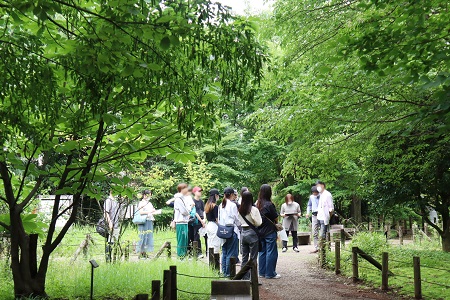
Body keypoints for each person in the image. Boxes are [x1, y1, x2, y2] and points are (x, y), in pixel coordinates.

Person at [257, 184, 280, 279]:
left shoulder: (257, 204)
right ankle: (270, 273)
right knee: (271, 251)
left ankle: (262, 272)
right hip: (269, 230)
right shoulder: (269, 204)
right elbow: (275, 217)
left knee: (262, 252)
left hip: (260, 231)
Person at [237, 191, 262, 279]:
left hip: (243, 233)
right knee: (253, 258)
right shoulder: (254, 209)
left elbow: (238, 221)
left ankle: (244, 278)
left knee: (244, 257)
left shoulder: (240, 210)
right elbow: (259, 223)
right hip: (252, 233)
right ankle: (254, 279)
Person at [219, 187, 241, 277]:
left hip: (222, 230)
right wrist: (240, 225)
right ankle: (229, 273)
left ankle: (224, 272)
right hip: (231, 230)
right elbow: (236, 218)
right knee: (231, 252)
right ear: (232, 194)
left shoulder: (221, 205)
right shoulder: (232, 205)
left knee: (224, 251)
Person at [104, 190, 124, 262]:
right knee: (109, 243)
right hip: (110, 225)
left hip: (116, 224)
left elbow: (121, 213)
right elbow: (106, 213)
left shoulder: (117, 201)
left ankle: (114, 259)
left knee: (114, 242)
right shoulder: (108, 200)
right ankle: (108, 260)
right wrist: (110, 223)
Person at [173, 183, 192, 258]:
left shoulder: (184, 198)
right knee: (181, 240)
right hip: (180, 222)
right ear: (181, 189)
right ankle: (181, 256)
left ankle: (183, 255)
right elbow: (184, 211)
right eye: (185, 188)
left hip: (185, 221)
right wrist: (189, 210)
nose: (187, 190)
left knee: (185, 240)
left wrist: (188, 210)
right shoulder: (178, 199)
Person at [136, 190, 156, 259]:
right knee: (142, 236)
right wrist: (150, 211)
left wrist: (153, 211)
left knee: (148, 236)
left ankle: (145, 252)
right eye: (148, 195)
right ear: (144, 195)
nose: (149, 197)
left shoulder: (149, 203)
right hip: (143, 221)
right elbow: (141, 212)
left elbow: (153, 210)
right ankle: (141, 252)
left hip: (149, 220)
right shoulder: (141, 203)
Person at [205, 189, 221, 254]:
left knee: (210, 243)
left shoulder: (207, 205)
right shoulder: (215, 206)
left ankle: (210, 260)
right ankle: (215, 260)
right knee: (216, 243)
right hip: (214, 226)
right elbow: (217, 219)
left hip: (208, 225)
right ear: (216, 195)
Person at [191, 186, 206, 258]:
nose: (200, 192)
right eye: (198, 191)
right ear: (194, 192)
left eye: (200, 191)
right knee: (196, 237)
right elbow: (195, 212)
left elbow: (203, 211)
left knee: (206, 236)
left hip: (202, 220)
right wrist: (201, 220)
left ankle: (207, 252)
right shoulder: (192, 201)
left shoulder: (201, 201)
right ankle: (197, 252)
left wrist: (204, 220)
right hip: (196, 221)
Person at [305, 186, 320, 253]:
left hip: (321, 214)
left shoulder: (322, 196)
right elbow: (309, 205)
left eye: (316, 192)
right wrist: (308, 213)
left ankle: (325, 247)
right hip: (314, 215)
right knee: (314, 232)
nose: (315, 194)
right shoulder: (311, 197)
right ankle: (316, 247)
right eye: (314, 193)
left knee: (324, 231)